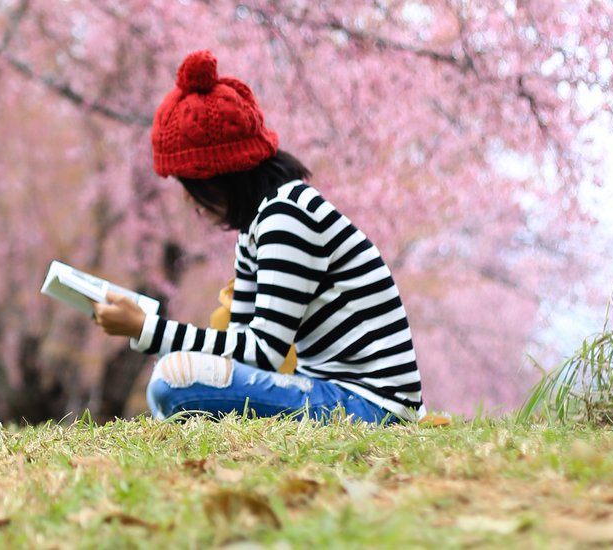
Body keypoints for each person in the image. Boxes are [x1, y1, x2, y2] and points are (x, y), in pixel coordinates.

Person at [91, 49, 424, 424]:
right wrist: (148, 329)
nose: (188, 199)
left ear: (221, 175)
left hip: (371, 406)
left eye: (190, 184)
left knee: (174, 380)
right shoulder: (262, 223)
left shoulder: (288, 218)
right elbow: (242, 345)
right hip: (336, 391)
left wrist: (147, 329)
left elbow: (264, 352)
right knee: (178, 374)